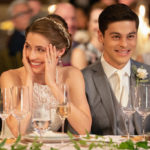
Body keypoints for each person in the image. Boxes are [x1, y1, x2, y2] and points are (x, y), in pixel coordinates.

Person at [0, 14, 92, 137]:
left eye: (40, 49)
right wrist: (29, 79)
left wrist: (53, 85)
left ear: (60, 51)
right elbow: (17, 131)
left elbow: (84, 128)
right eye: (28, 47)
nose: (31, 56)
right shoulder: (10, 77)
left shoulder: (72, 75)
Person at [82, 4, 150, 135]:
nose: (124, 44)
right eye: (116, 37)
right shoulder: (83, 79)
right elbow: (76, 136)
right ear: (101, 36)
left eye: (130, 36)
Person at [71, 3, 104, 69]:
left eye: (103, 21)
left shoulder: (114, 51)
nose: (99, 26)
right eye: (95, 21)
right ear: (89, 24)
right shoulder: (80, 52)